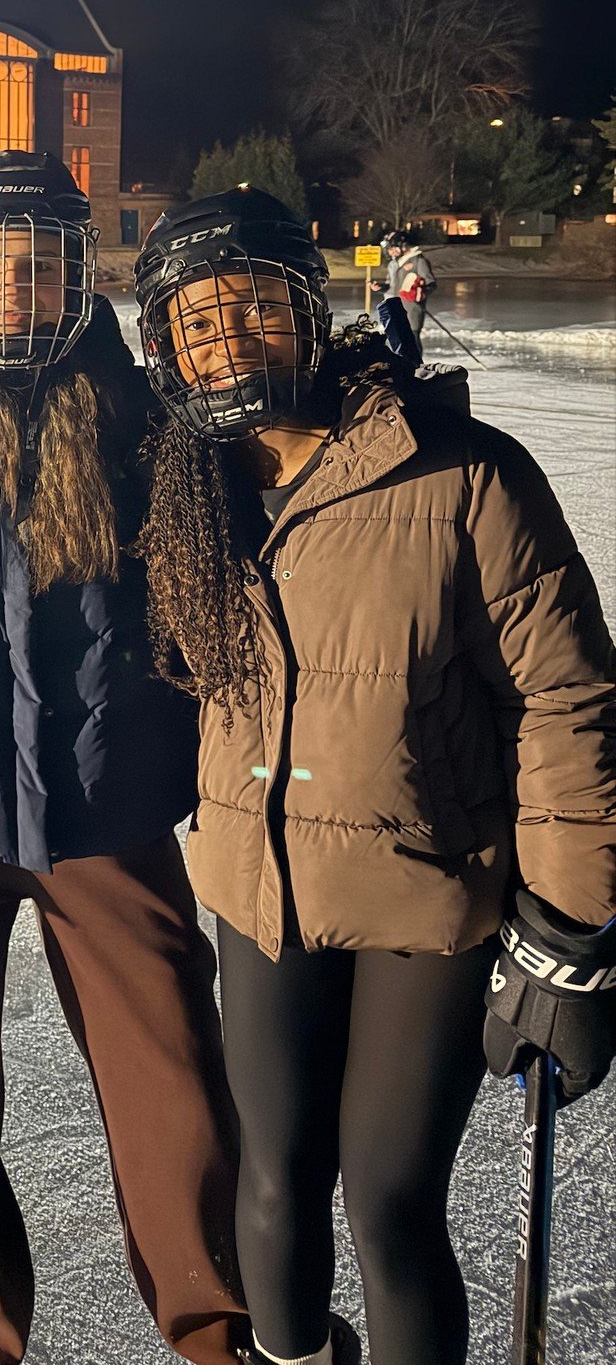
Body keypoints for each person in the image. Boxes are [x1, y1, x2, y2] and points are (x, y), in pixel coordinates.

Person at [133, 188, 616, 1365]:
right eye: (197, 324)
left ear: (311, 311)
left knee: (387, 1205)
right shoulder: (188, 497)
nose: (229, 343)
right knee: (272, 1186)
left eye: (252, 309)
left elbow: (567, 702)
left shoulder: (464, 478)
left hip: (425, 903)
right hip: (263, 897)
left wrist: (573, 925)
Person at [0, 151, 247, 1365]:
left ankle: (214, 1323)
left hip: (108, 812)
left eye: (39, 265)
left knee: (172, 1078)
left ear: (79, 279)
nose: (12, 288)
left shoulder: (148, 422)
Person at [376, 229, 436, 351]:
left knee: (412, 339)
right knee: (398, 341)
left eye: (392, 248)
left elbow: (431, 284)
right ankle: (403, 367)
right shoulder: (393, 264)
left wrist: (420, 292)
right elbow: (391, 285)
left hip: (411, 308)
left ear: (402, 245)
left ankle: (417, 366)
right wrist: (381, 287)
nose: (390, 252)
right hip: (395, 308)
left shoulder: (418, 261)